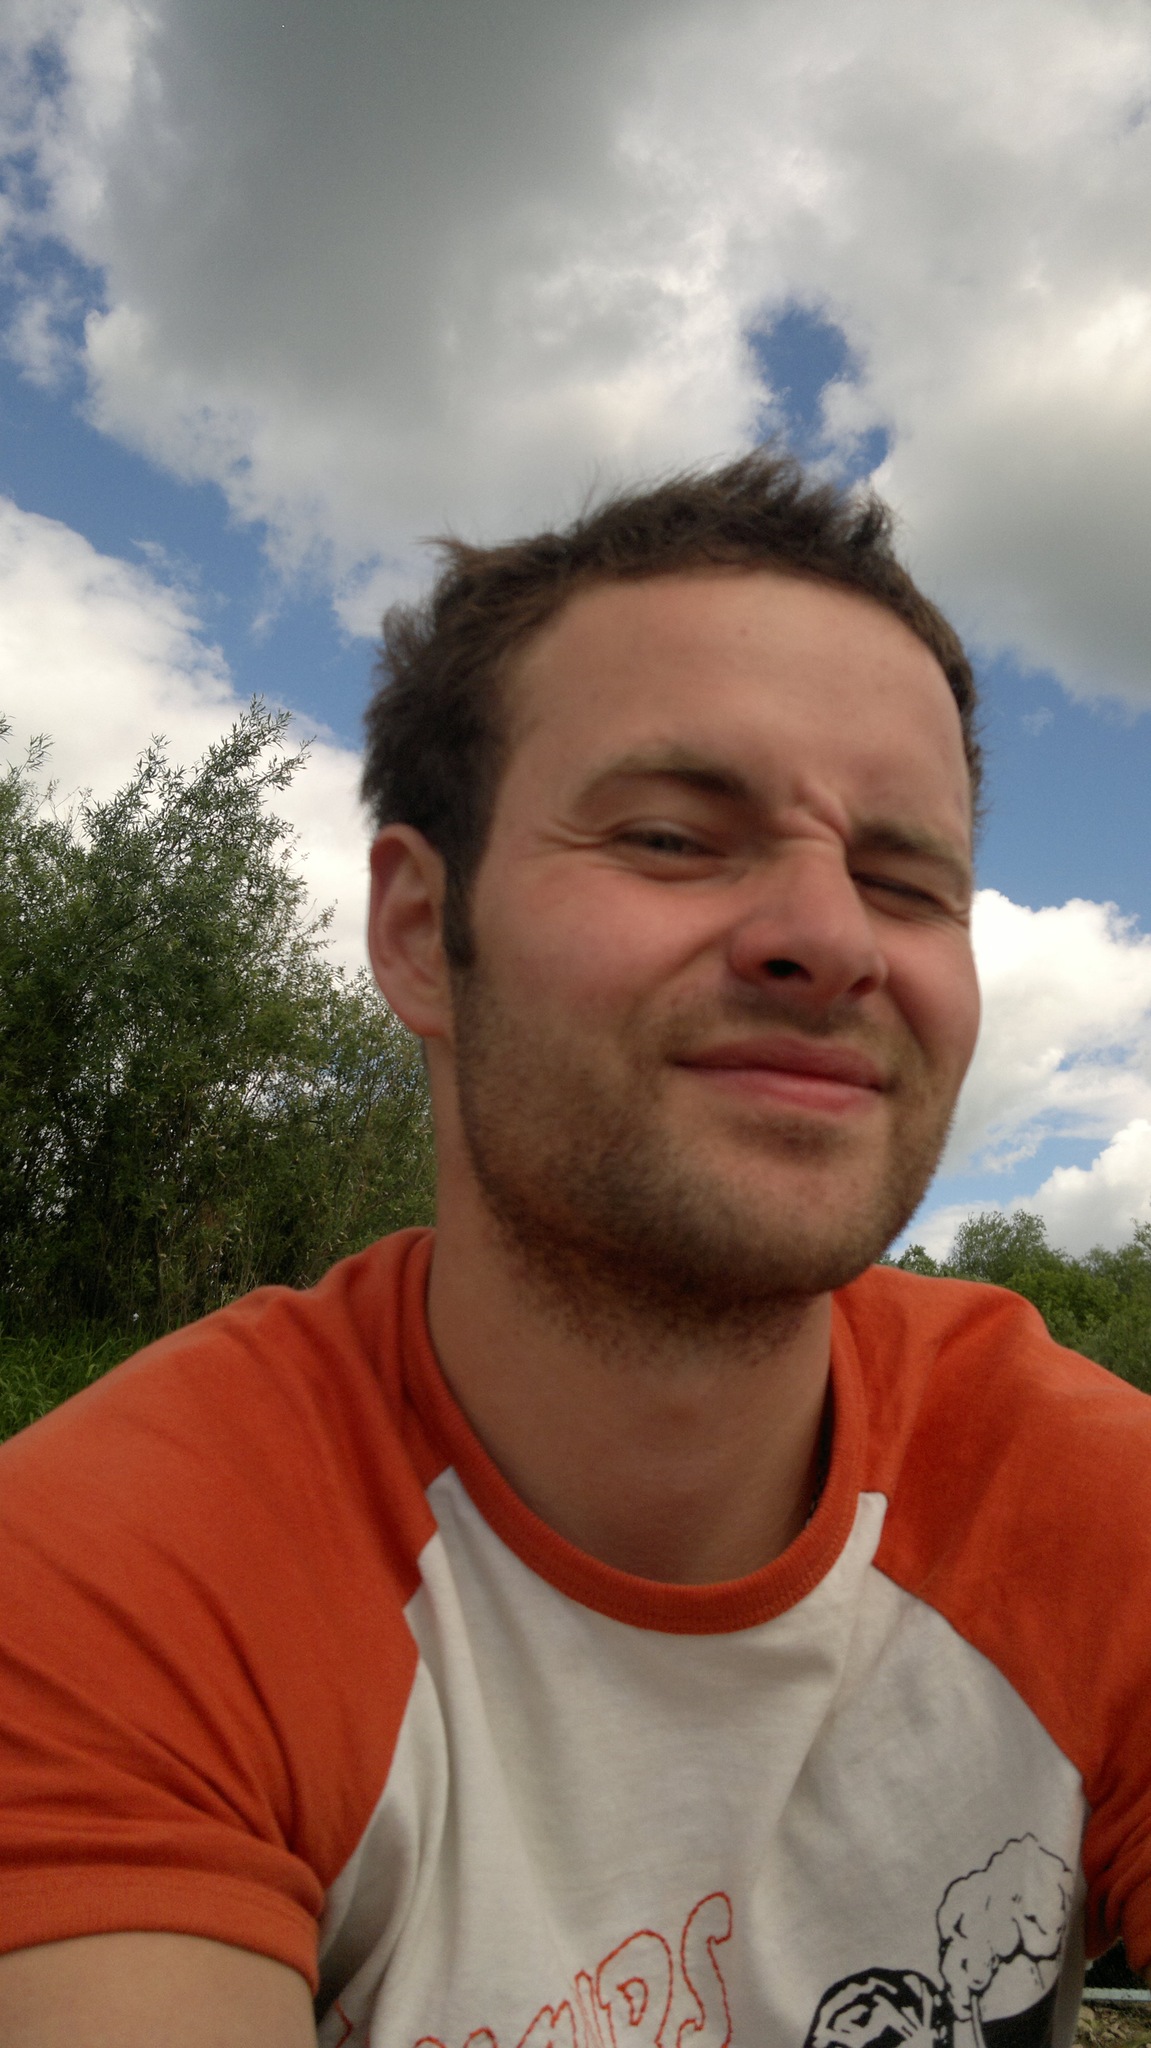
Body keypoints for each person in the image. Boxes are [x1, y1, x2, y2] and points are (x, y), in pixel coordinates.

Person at [0, 452, 1148, 2048]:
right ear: (421, 933)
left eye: (904, 881)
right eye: (672, 838)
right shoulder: (113, 1580)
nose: (831, 939)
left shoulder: (1088, 1507)